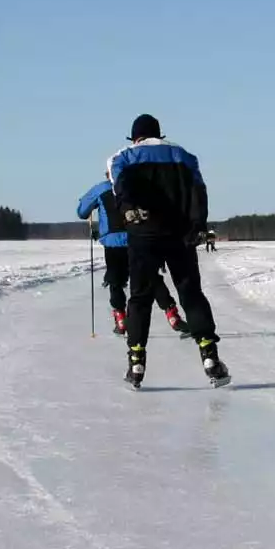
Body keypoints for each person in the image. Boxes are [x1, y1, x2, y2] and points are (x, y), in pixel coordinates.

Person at [107, 113, 229, 388]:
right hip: (180, 234)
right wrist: (198, 224)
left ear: (135, 137)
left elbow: (119, 186)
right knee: (191, 294)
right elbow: (199, 191)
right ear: (159, 134)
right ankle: (210, 357)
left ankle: (136, 363)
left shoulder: (122, 157)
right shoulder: (184, 156)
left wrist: (128, 209)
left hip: (143, 235)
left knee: (139, 298)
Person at [76, 177, 189, 338]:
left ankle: (121, 319)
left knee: (115, 281)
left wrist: (85, 203)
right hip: (136, 238)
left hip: (113, 241)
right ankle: (172, 314)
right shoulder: (136, 183)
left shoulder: (101, 189)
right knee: (150, 277)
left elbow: (82, 212)